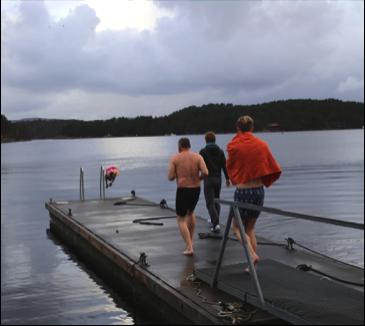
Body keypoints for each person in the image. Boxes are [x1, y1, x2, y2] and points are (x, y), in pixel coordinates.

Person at [226, 116, 281, 271]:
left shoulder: (234, 145)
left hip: (243, 191)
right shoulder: (262, 145)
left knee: (237, 228)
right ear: (252, 128)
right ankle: (251, 265)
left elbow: (230, 165)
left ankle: (252, 255)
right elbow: (270, 164)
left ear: (238, 128)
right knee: (250, 228)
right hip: (258, 191)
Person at [168, 137, 209, 256]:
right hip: (196, 188)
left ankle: (190, 247)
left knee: (181, 219)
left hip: (183, 189)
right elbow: (206, 172)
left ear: (180, 146)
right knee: (191, 213)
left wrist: (178, 174)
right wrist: (198, 178)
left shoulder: (175, 158)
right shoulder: (198, 157)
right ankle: (190, 242)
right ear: (189, 146)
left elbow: (170, 177)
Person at [199, 131, 230, 233]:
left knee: (209, 202)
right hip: (218, 179)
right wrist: (227, 178)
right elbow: (224, 166)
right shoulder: (220, 151)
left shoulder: (203, 152)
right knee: (216, 200)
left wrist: (197, 176)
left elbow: (199, 165)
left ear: (206, 140)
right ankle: (215, 221)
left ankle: (215, 223)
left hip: (208, 179)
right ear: (214, 140)